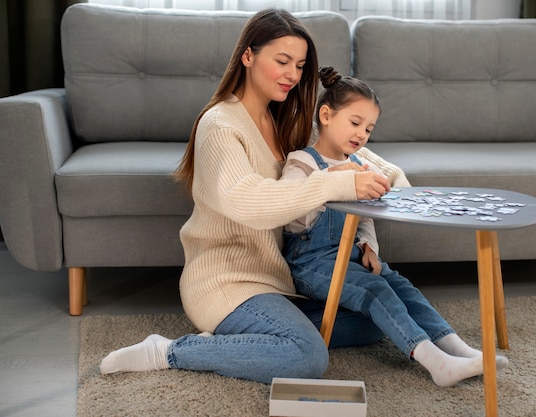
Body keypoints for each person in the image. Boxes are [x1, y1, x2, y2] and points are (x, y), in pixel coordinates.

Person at [99, 8, 406, 384]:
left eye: (299, 64)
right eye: (281, 61)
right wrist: (335, 182)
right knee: (307, 357)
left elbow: (365, 160)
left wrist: (397, 186)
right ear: (248, 56)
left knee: (375, 318)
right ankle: (170, 351)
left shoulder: (287, 121)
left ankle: (251, 340)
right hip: (228, 281)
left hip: (279, 280)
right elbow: (246, 202)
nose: (292, 74)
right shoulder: (220, 124)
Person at [281, 66, 509, 387]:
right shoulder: (301, 162)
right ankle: (435, 361)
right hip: (311, 263)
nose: (361, 134)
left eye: (369, 129)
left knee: (401, 286)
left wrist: (368, 247)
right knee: (376, 291)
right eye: (355, 123)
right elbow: (291, 213)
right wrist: (333, 179)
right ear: (326, 115)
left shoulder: (361, 164)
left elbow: (365, 215)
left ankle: (458, 348)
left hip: (352, 256)